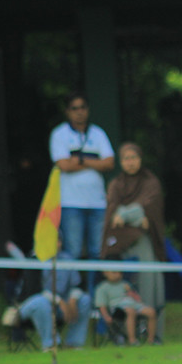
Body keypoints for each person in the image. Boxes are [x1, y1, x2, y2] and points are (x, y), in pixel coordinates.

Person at [49, 92, 115, 292]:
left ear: (88, 110)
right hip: (71, 203)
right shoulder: (59, 134)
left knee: (97, 251)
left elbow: (109, 163)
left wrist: (80, 160)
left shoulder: (98, 133)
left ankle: (95, 296)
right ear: (68, 111)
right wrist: (94, 162)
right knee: (73, 252)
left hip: (97, 203)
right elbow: (63, 165)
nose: (79, 112)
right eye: (74, 108)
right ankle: (74, 295)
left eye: (82, 107)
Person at [101, 142, 167, 341]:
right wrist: (137, 217)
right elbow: (112, 212)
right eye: (126, 158)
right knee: (121, 288)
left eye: (134, 158)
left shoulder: (150, 181)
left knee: (150, 284)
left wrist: (125, 214)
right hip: (120, 244)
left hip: (144, 241)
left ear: (140, 159)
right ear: (121, 162)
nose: (130, 162)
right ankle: (124, 335)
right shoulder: (116, 184)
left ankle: (154, 335)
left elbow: (150, 207)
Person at [16, 238, 92, 350]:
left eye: (58, 240)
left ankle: (73, 343)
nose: (57, 244)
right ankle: (50, 344)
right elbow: (35, 291)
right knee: (41, 303)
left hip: (60, 307)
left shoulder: (67, 259)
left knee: (84, 299)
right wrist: (59, 301)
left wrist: (72, 299)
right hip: (31, 305)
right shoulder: (34, 259)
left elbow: (78, 284)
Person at [94, 270, 158, 346]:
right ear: (105, 273)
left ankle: (151, 340)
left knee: (151, 312)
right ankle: (132, 340)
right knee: (130, 311)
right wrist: (106, 316)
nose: (118, 275)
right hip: (117, 308)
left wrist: (130, 291)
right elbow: (101, 305)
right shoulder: (102, 288)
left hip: (133, 304)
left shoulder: (125, 284)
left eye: (120, 273)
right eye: (114, 272)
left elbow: (138, 300)